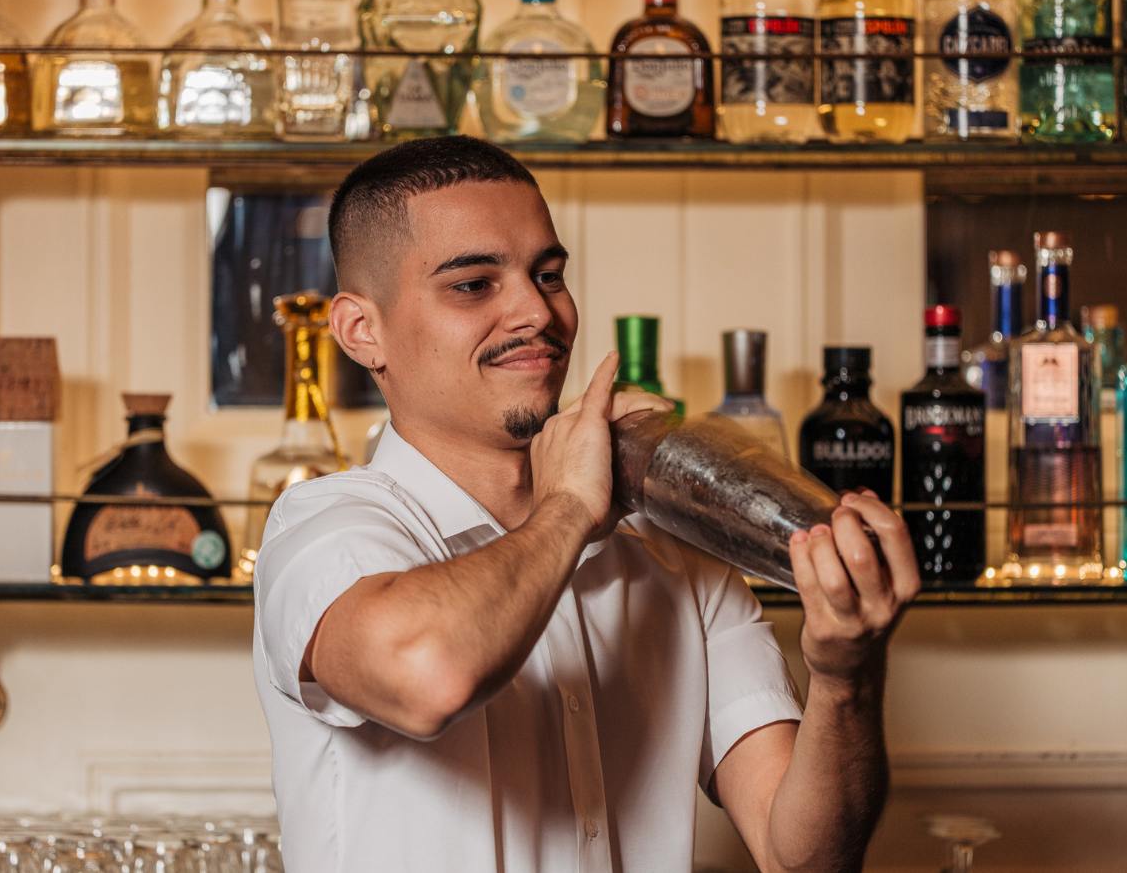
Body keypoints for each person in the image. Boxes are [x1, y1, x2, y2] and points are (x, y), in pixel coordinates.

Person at [252, 136, 921, 872]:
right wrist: (569, 506)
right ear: (362, 331)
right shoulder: (322, 529)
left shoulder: (671, 555)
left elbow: (806, 860)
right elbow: (427, 675)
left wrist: (845, 676)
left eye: (549, 275)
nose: (536, 311)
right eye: (473, 285)